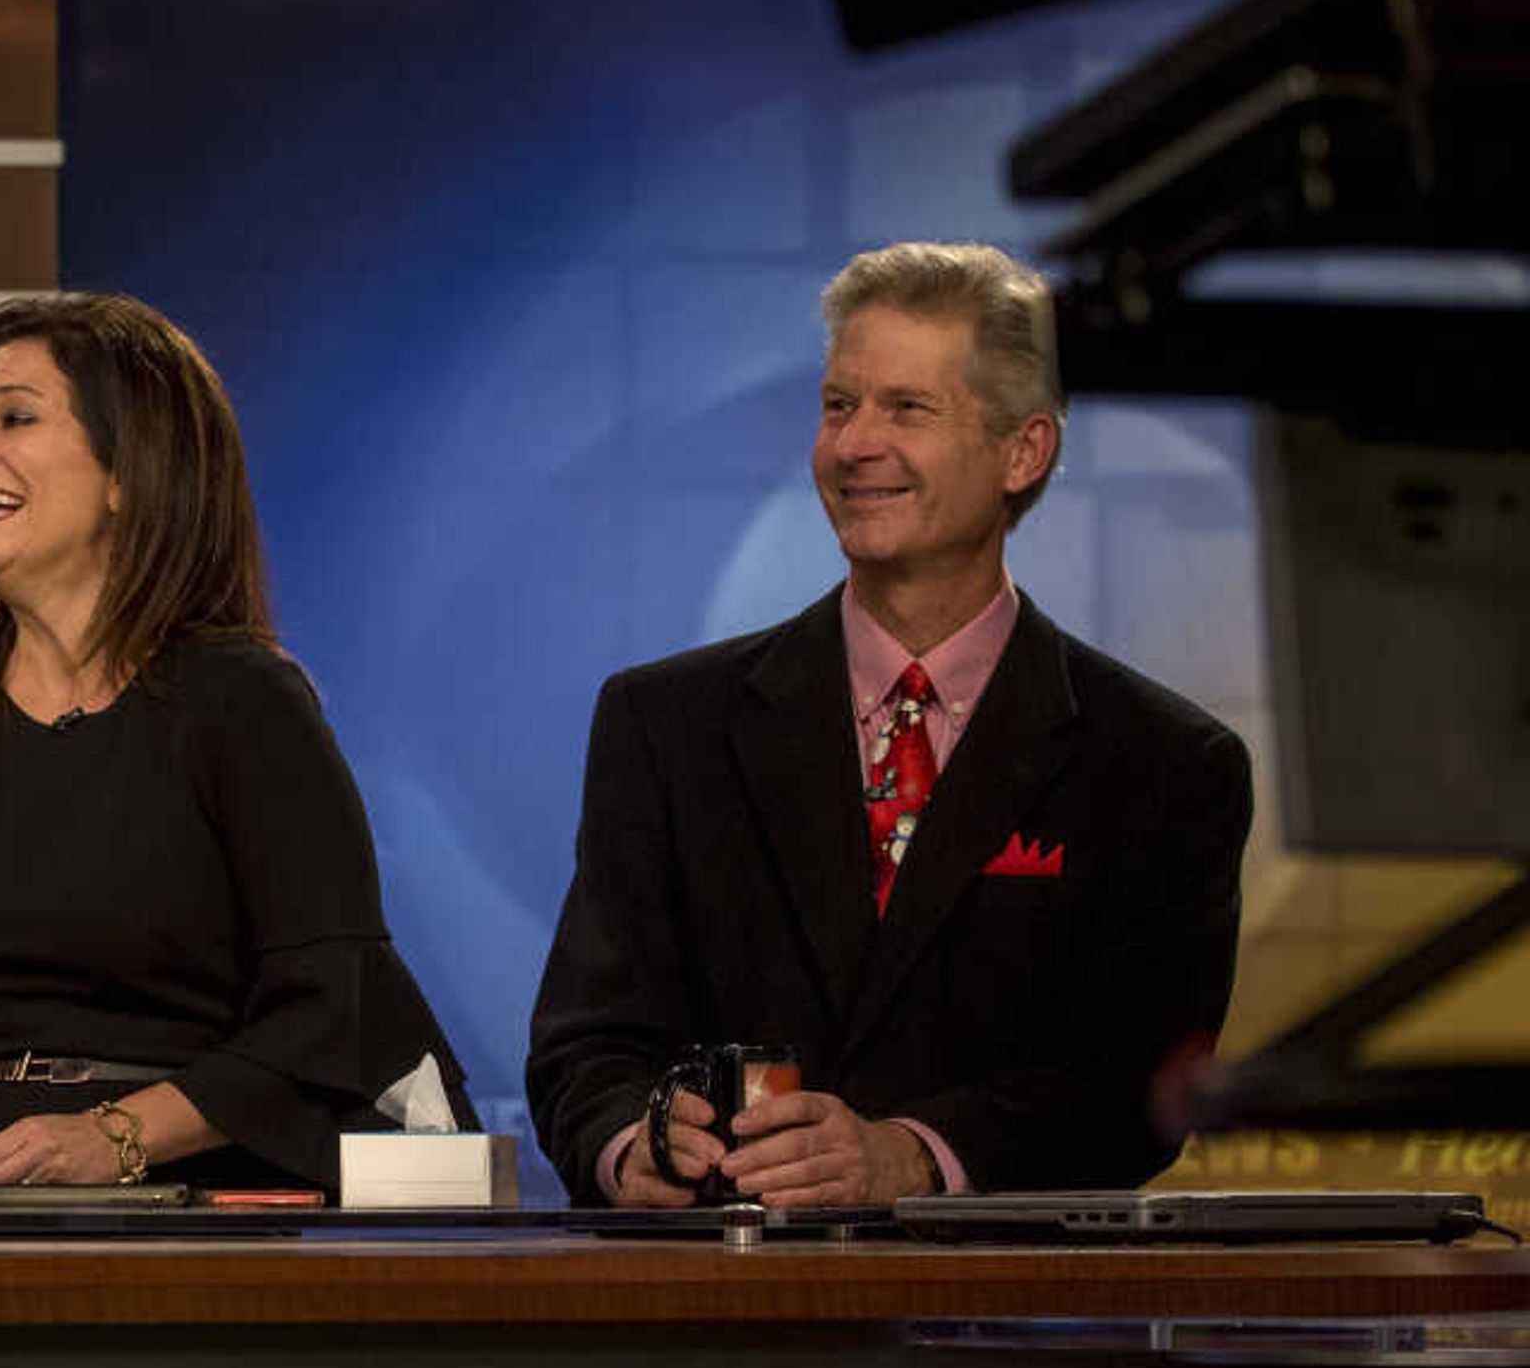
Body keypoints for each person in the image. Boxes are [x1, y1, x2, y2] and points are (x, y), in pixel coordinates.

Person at [526, 240, 1250, 1207]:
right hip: (716, 1313)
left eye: (907, 408)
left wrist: (908, 1155)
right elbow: (588, 1041)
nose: (854, 444)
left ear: (1022, 449)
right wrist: (629, 1145)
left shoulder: (1166, 763)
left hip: (1005, 1332)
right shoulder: (664, 724)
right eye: (838, 405)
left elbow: (1133, 1086)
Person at [0, 291, 470, 1194]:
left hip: (175, 1184)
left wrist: (115, 1137)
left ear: (130, 470)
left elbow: (325, 1005)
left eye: (16, 418)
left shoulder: (246, 705)